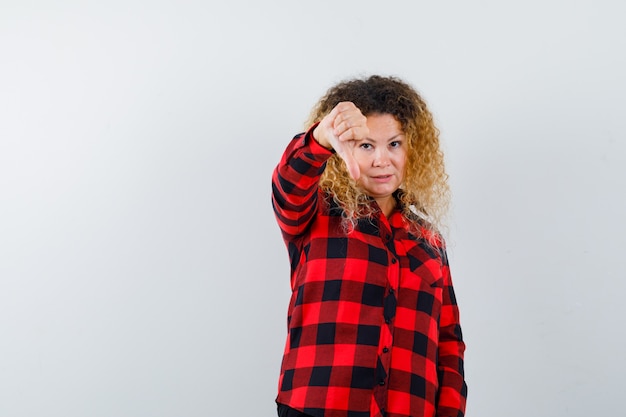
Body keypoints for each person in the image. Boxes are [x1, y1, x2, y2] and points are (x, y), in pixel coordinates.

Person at [271, 75, 467, 417]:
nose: (381, 159)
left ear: (412, 148)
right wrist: (320, 137)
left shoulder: (429, 241)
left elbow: (448, 343)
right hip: (320, 407)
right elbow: (288, 185)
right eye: (365, 145)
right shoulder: (314, 212)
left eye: (394, 144)